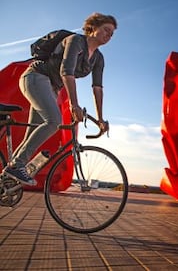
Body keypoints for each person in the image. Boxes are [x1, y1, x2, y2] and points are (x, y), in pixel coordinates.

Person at [3, 12, 117, 186]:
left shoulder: (98, 58)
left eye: (112, 33)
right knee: (54, 120)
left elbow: (98, 88)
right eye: (106, 30)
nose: (109, 35)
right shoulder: (76, 41)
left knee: (33, 132)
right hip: (36, 77)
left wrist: (101, 119)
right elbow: (67, 72)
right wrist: (74, 105)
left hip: (51, 88)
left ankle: (7, 178)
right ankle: (17, 166)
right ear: (93, 28)